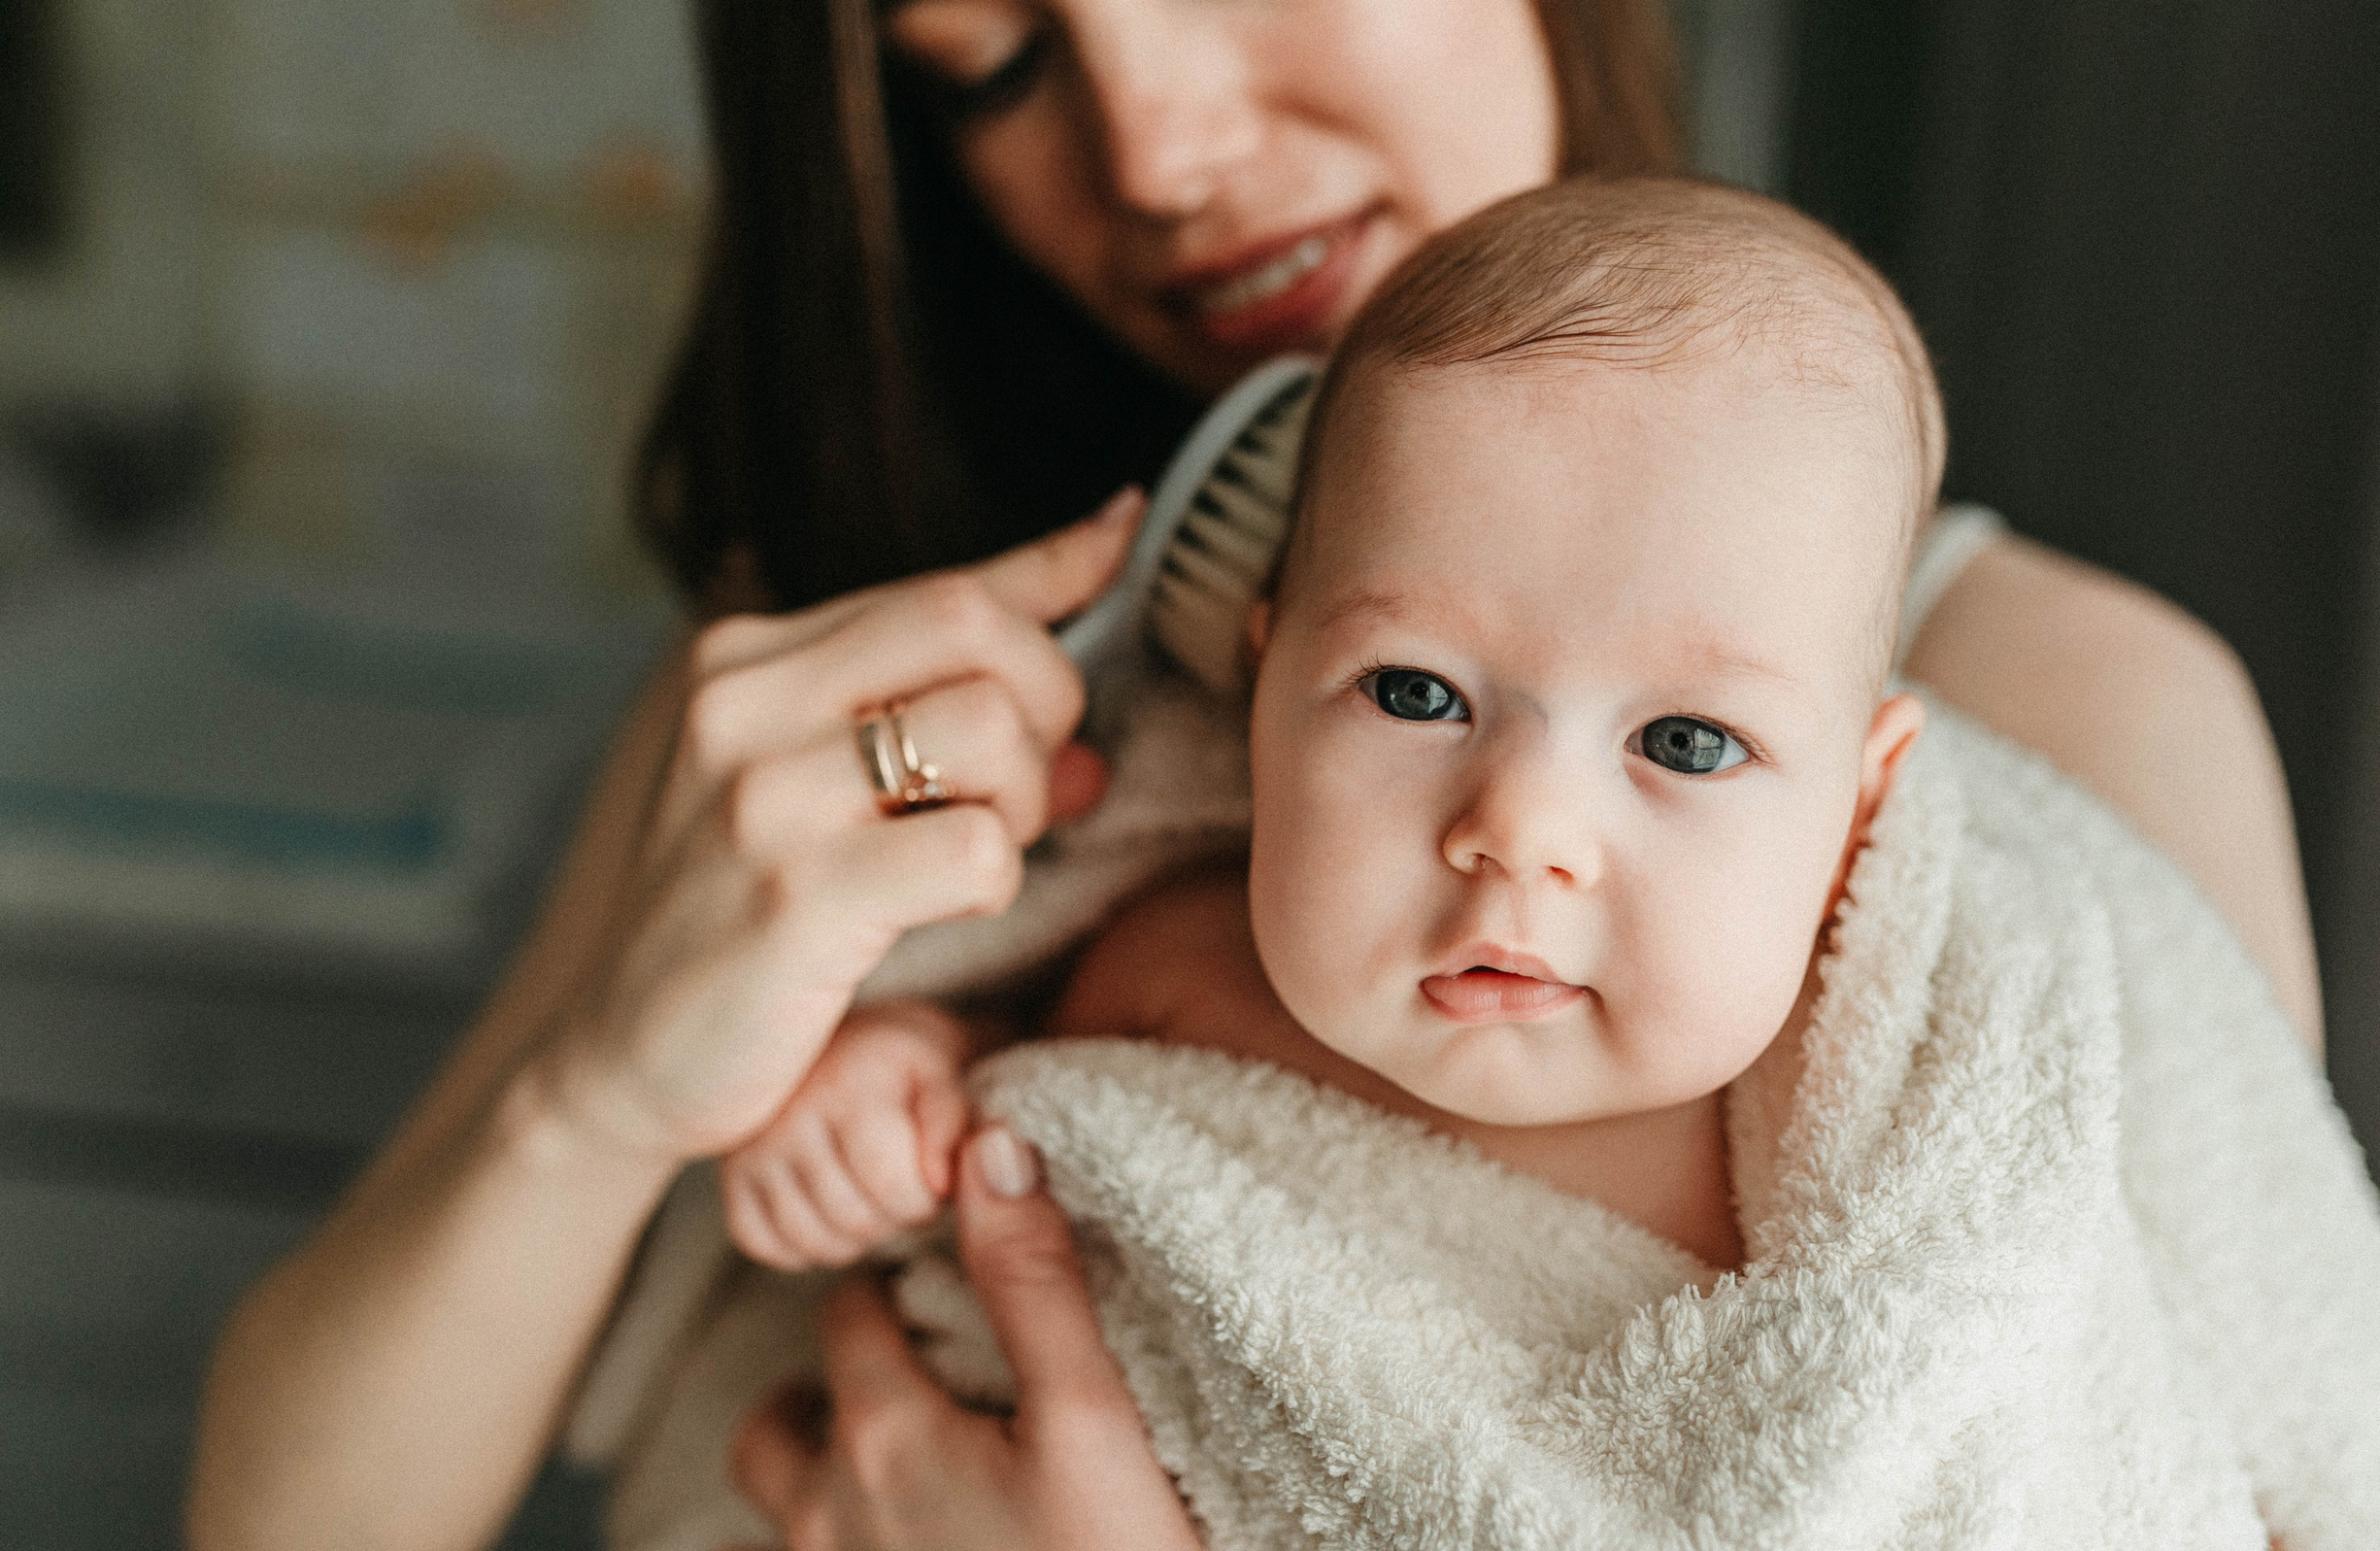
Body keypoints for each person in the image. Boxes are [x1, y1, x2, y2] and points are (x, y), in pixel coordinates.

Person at [186, 0, 2326, 1546]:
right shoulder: (843, 702)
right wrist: (600, 1098)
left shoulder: (2057, 725)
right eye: (987, 61)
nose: (1161, 147)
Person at [723, 178, 1942, 1281]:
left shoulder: (1863, 1171)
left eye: (1683, 742)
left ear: (1858, 816)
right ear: (1264, 702)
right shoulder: (1176, 977)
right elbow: (1005, 1098)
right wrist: (903, 1074)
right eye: (1416, 693)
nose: (1518, 830)